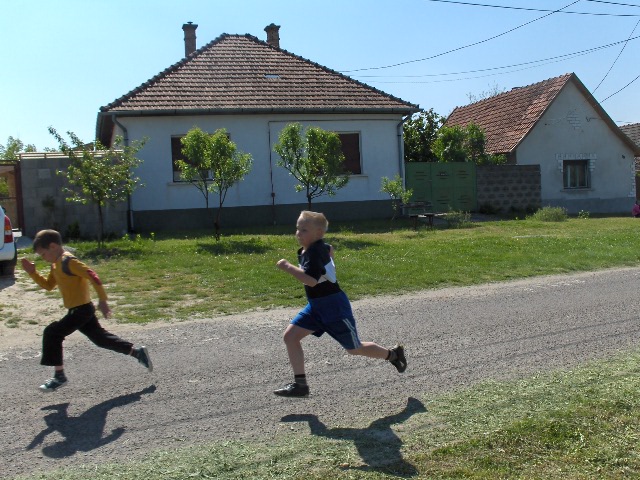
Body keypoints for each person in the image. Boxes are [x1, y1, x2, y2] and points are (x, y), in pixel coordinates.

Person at [274, 211, 406, 397]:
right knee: (290, 337)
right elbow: (328, 252)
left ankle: (393, 355)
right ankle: (300, 385)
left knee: (355, 348)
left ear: (319, 233)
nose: (298, 233)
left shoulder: (316, 251)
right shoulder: (311, 250)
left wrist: (287, 267)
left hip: (334, 307)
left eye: (304, 230)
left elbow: (310, 280)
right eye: (298, 228)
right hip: (316, 306)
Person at [20, 229, 153, 393]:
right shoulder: (56, 265)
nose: (43, 258)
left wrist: (102, 300)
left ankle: (59, 376)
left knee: (52, 333)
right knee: (100, 339)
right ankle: (137, 353)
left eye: (43, 254)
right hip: (79, 310)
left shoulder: (68, 261)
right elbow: (48, 286)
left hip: (81, 310)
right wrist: (32, 273)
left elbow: (93, 276)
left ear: (53, 246)